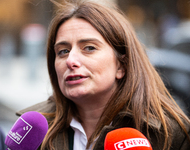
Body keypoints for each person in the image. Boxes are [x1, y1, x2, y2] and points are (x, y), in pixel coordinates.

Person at [16, 0, 190, 150]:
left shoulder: (171, 135)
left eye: (89, 48)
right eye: (63, 51)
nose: (71, 60)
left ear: (122, 65)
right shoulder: (31, 130)